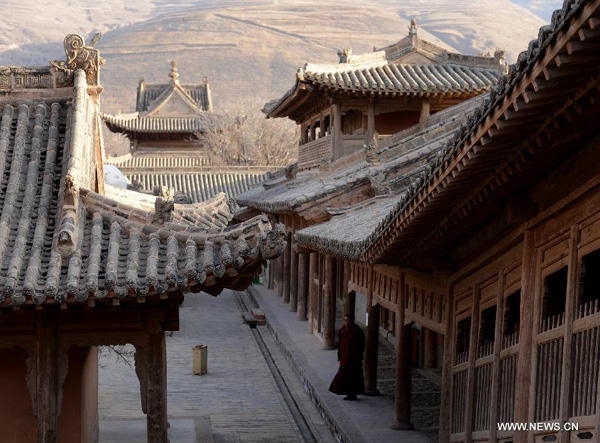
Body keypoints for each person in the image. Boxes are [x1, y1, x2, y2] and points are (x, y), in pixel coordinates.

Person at [329, 313, 365, 400]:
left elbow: (361, 344)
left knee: (353, 376)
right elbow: (341, 343)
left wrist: (358, 356)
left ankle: (352, 394)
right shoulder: (342, 330)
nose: (347, 322)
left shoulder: (356, 331)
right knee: (344, 375)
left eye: (348, 320)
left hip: (353, 359)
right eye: (345, 320)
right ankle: (348, 393)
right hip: (344, 357)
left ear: (352, 321)